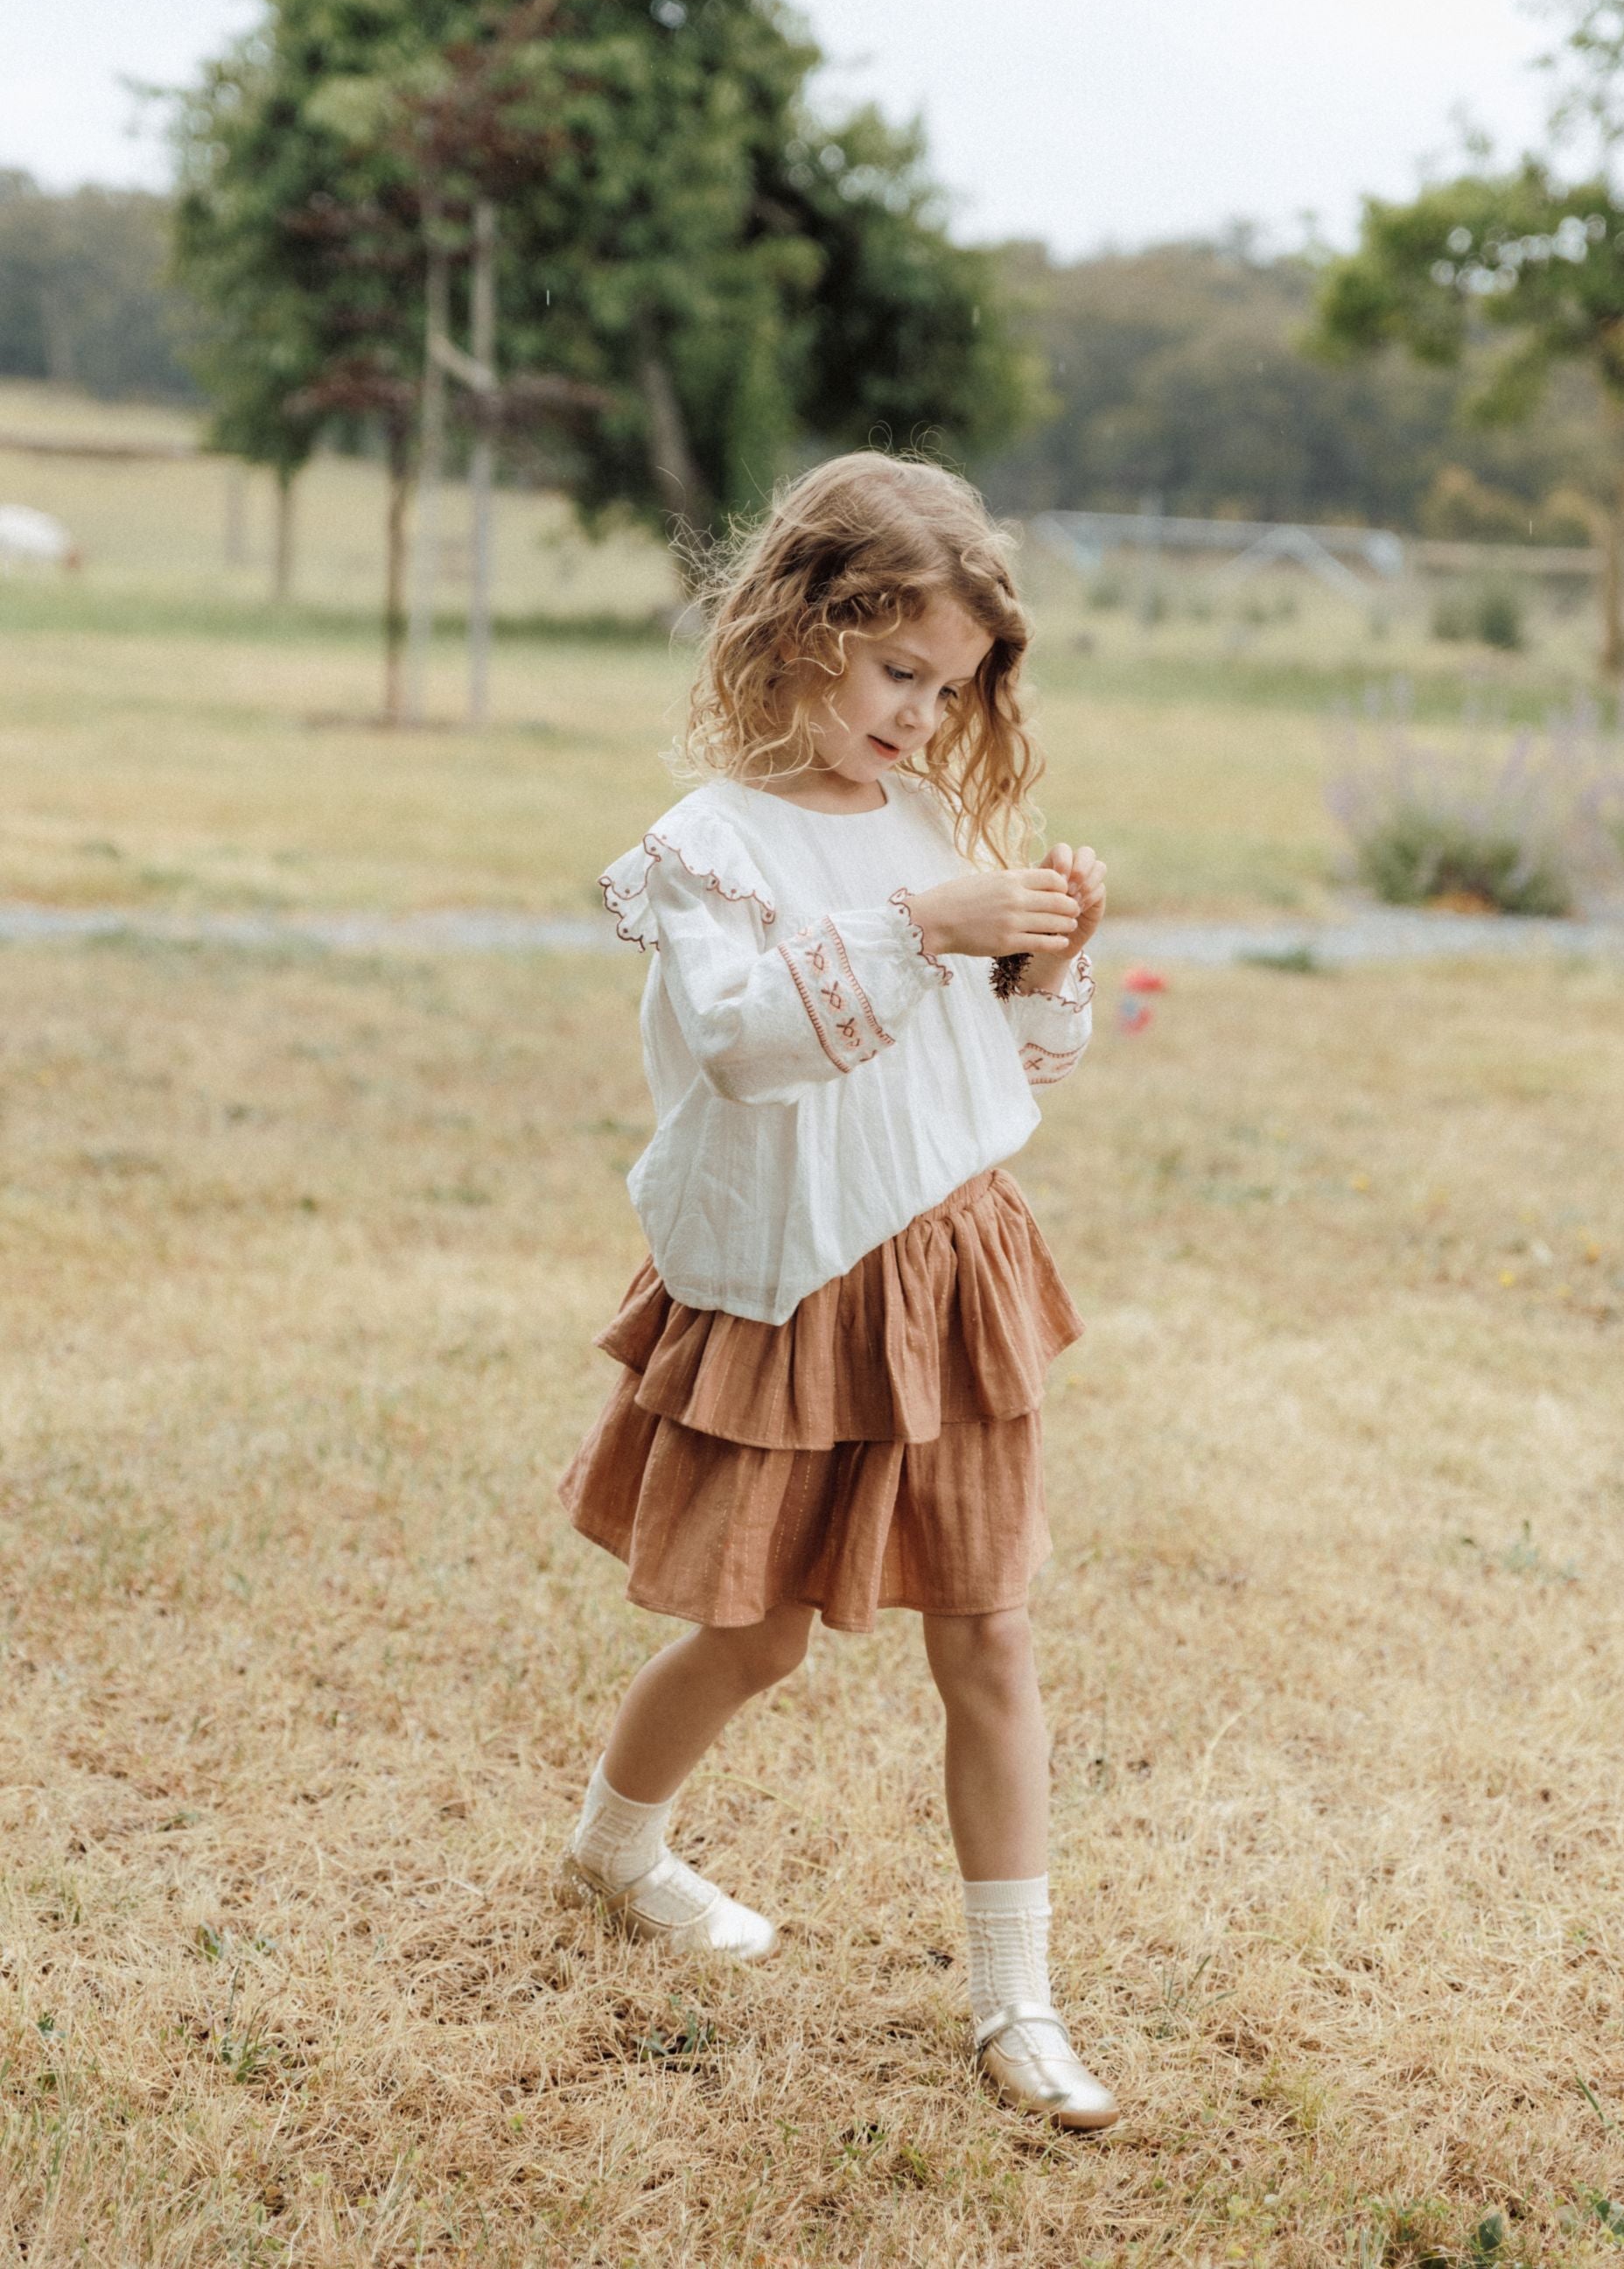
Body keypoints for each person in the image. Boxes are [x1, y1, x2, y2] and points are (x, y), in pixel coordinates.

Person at [556, 452, 1114, 2129]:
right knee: (760, 1634)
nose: (924, 716)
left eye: (948, 689)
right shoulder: (705, 848)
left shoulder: (937, 826)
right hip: (797, 1281)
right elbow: (741, 1043)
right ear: (801, 625)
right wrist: (916, 925)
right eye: (897, 673)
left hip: (948, 1267)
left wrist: (1046, 963)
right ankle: (613, 1850)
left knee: (992, 1635)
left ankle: (1015, 2002)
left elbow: (1007, 1060)